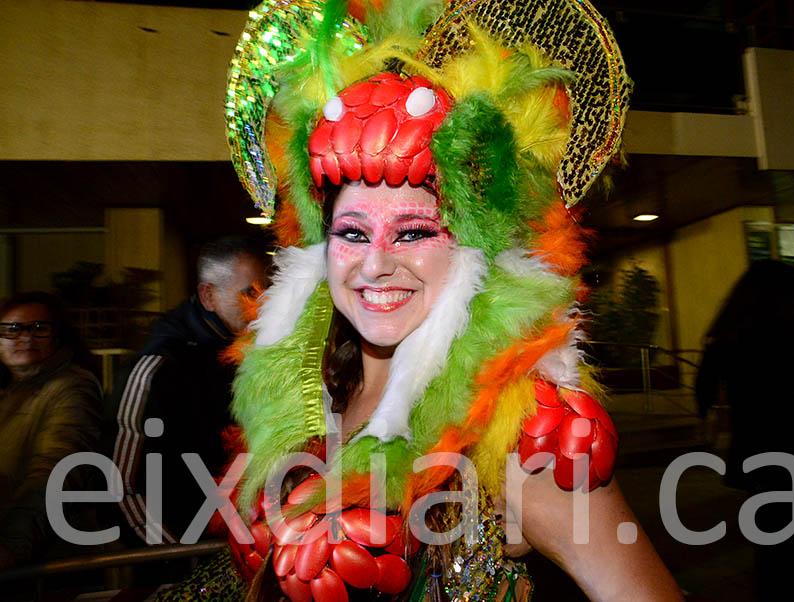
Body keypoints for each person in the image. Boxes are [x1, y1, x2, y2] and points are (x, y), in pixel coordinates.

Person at [161, 1, 682, 600]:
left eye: (412, 232)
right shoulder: (314, 388)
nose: (377, 263)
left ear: (473, 250)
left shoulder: (524, 432)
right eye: (352, 233)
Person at [110, 236, 269, 545]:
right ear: (208, 296)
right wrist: (175, 557)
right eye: (248, 293)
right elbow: (120, 485)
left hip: (236, 548)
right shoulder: (157, 369)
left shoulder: (253, 351)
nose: (260, 306)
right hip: (177, 555)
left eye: (267, 291)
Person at [696, 260, 794, 600]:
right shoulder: (785, 333)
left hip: (755, 446)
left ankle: (774, 589)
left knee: (773, 534)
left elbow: (705, 383)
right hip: (789, 444)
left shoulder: (733, 333)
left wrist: (707, 414)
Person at [0, 292, 102, 570]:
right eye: (11, 329)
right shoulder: (10, 390)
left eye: (39, 328)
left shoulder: (71, 388)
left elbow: (58, 467)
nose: (25, 337)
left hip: (44, 562)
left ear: (58, 337)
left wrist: (13, 543)